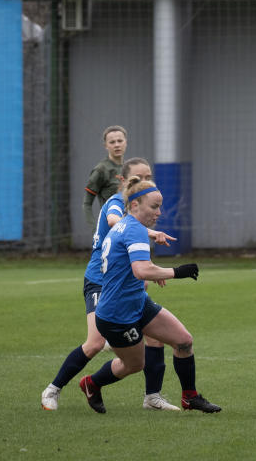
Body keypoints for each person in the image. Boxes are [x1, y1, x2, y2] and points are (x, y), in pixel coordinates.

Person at [41, 158, 178, 411]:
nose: (146, 180)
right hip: (101, 281)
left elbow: (133, 249)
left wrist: (151, 270)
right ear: (123, 181)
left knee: (156, 338)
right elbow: (117, 223)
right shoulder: (116, 203)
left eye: (148, 175)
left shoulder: (143, 207)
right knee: (94, 343)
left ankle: (152, 397)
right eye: (140, 176)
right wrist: (152, 233)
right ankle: (53, 389)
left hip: (128, 282)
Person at [79, 176, 221, 414]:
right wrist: (179, 271)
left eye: (160, 206)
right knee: (134, 364)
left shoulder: (130, 226)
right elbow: (141, 269)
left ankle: (190, 397)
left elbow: (134, 267)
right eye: (154, 206)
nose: (159, 212)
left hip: (137, 303)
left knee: (184, 341)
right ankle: (91, 383)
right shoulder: (133, 229)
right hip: (116, 314)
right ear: (135, 205)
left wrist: (154, 272)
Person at [82, 125, 128, 238]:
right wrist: (95, 228)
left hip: (128, 227)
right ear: (106, 145)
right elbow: (87, 203)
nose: (117, 144)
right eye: (112, 142)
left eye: (120, 141)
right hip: (109, 230)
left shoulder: (129, 168)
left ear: (125, 142)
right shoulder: (101, 170)